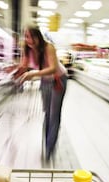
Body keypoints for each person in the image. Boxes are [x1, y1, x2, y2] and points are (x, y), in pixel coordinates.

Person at [16, 25, 68, 160]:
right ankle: (47, 144)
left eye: (31, 36)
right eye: (26, 36)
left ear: (38, 36)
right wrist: (14, 70)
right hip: (45, 81)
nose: (29, 40)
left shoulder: (48, 47)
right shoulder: (27, 48)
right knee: (47, 113)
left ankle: (49, 149)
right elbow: (23, 66)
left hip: (58, 80)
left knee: (54, 115)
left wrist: (33, 74)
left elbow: (53, 68)